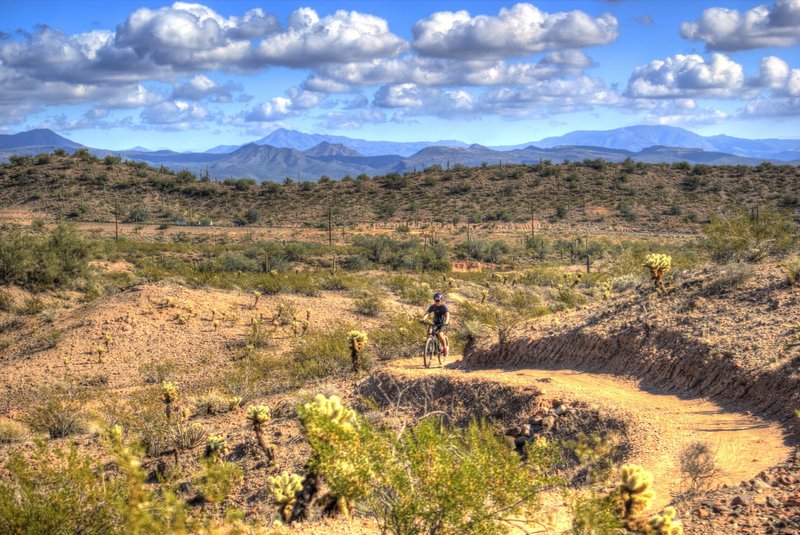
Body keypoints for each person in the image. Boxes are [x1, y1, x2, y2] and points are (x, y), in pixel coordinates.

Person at [421, 292, 449, 357]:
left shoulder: (443, 306)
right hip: (435, 323)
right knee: (429, 331)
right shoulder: (432, 307)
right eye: (436, 300)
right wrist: (423, 319)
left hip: (443, 323)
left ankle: (444, 348)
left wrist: (446, 322)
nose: (437, 302)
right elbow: (427, 313)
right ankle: (430, 344)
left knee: (440, 335)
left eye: (438, 300)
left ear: (441, 300)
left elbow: (447, 314)